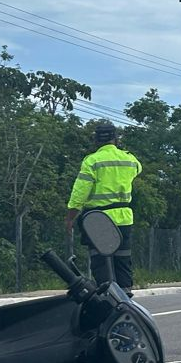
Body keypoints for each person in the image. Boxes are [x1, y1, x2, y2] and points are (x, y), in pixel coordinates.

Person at [66, 120, 142, 292]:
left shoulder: (92, 161)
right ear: (115, 138)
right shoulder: (129, 160)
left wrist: (70, 217)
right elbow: (138, 168)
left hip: (97, 220)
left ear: (96, 140)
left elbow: (80, 193)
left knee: (100, 262)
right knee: (123, 261)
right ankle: (126, 299)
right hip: (123, 219)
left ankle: (106, 296)